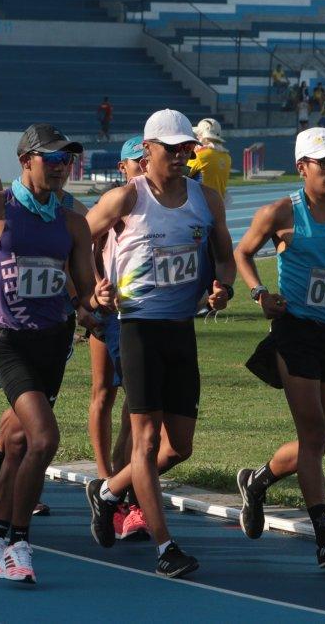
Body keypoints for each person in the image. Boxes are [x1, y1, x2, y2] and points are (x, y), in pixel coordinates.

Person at [0, 123, 107, 583]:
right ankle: (20, 543)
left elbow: (85, 290)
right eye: (52, 159)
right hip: (9, 341)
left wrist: (94, 305)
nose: (62, 168)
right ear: (26, 160)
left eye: (66, 160)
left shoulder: (71, 222)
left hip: (54, 341)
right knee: (44, 438)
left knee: (17, 442)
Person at [83, 109, 236, 579]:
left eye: (185, 147)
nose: (179, 155)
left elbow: (225, 258)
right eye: (170, 148)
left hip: (181, 330)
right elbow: (77, 238)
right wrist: (94, 285)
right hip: (139, 327)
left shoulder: (205, 199)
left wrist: (222, 287)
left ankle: (109, 492)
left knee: (180, 447)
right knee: (146, 443)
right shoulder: (126, 197)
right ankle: (165, 546)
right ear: (147, 150)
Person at [234, 127, 325, 567]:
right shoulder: (281, 212)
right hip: (295, 330)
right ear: (303, 168)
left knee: (316, 443)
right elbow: (244, 253)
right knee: (314, 433)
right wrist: (260, 293)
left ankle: (258, 481)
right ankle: (323, 532)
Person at [86, 136, 148, 542]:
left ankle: (120, 491)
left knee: (133, 400)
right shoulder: (116, 200)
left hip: (136, 313)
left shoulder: (155, 201)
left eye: (147, 160)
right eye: (137, 162)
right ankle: (104, 476)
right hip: (105, 311)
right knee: (102, 393)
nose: (144, 167)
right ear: (124, 166)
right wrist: (94, 288)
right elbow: (82, 243)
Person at [187, 118, 231, 199]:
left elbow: (181, 175)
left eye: (199, 134)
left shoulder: (200, 155)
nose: (197, 137)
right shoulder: (227, 157)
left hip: (201, 204)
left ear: (203, 136)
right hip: (219, 205)